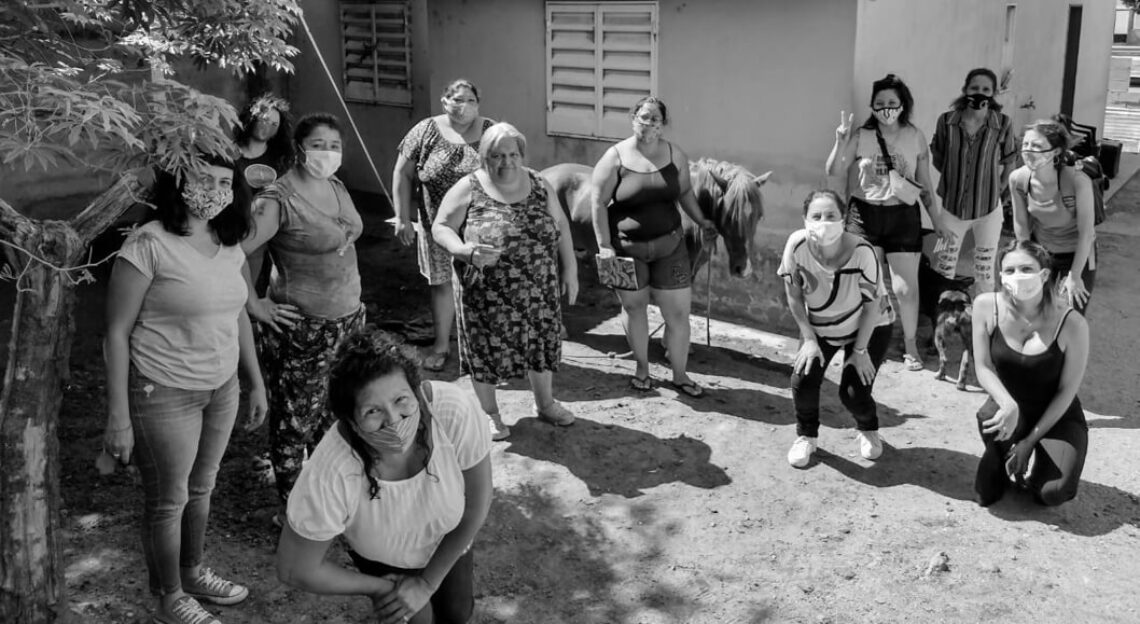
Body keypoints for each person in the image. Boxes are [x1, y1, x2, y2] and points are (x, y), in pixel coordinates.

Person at [103, 156, 267, 624]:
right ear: (179, 182)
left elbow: (238, 314)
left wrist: (254, 381)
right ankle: (169, 597)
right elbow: (116, 333)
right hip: (164, 390)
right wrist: (118, 417)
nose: (214, 190)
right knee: (169, 500)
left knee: (201, 488)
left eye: (224, 182)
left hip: (221, 388)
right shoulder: (148, 243)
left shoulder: (227, 240)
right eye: (203, 179)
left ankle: (192, 573)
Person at [276, 328, 491, 624]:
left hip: (447, 537)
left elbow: (477, 505)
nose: (393, 420)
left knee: (456, 613)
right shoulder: (330, 473)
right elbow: (294, 568)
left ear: (417, 391)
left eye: (401, 399)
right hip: (383, 560)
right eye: (372, 411)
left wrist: (427, 583)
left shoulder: (453, 412)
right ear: (351, 421)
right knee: (416, 618)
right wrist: (382, 589)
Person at [241, 113, 366, 508]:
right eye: (318, 145)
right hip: (304, 331)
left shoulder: (335, 185)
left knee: (333, 413)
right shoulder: (277, 199)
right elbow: (235, 251)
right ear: (299, 148)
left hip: (347, 324)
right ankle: (295, 512)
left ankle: (327, 494)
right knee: (295, 422)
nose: (327, 153)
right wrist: (254, 303)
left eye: (334, 146)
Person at [432, 122, 578, 436]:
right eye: (497, 155)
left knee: (540, 344)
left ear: (521, 154)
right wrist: (462, 250)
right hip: (485, 291)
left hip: (538, 289)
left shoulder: (539, 183)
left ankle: (545, 404)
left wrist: (571, 269)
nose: (506, 161)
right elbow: (441, 226)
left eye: (513, 154)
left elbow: (562, 225)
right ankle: (490, 414)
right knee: (484, 349)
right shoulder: (469, 186)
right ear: (485, 157)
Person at [589, 96, 718, 397]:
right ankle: (642, 369)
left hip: (670, 247)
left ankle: (680, 375)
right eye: (643, 117)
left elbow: (685, 192)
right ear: (633, 119)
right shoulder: (614, 157)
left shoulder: (675, 155)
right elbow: (598, 201)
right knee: (634, 309)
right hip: (626, 250)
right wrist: (604, 245)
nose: (649, 123)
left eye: (655, 118)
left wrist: (702, 221)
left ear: (664, 124)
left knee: (678, 315)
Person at [826, 73, 953, 371]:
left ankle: (909, 344)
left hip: (903, 216)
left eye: (892, 102)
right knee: (862, 285)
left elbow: (925, 184)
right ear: (872, 106)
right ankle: (857, 343)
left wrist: (936, 220)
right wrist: (840, 142)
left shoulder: (914, 136)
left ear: (902, 104)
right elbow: (834, 171)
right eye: (880, 102)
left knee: (906, 289)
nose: (886, 108)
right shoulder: (862, 135)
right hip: (864, 215)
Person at [778, 190, 895, 468]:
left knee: (854, 393)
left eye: (831, 215)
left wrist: (860, 351)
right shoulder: (796, 246)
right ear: (805, 219)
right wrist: (808, 339)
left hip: (870, 325)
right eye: (816, 216)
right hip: (822, 325)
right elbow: (794, 295)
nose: (824, 222)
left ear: (843, 219)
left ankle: (868, 428)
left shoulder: (863, 252)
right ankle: (806, 436)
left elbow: (873, 305)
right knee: (803, 380)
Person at [971, 240, 1088, 507]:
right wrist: (1007, 403)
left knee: (1053, 492)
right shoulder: (985, 306)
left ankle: (1037, 468)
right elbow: (983, 367)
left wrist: (1029, 441)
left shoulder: (1072, 323)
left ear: (1044, 275)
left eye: (1026, 269)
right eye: (1009, 270)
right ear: (1000, 275)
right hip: (1010, 408)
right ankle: (1004, 458)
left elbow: (1067, 390)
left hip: (1057, 413)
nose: (1017, 276)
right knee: (985, 495)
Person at [393, 79, 496, 372]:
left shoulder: (491, 131)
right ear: (444, 102)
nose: (464, 106)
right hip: (435, 224)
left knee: (484, 285)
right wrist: (402, 217)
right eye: (458, 100)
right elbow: (402, 173)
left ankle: (486, 349)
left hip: (480, 225)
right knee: (441, 284)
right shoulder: (425, 131)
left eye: (471, 100)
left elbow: (508, 169)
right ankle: (441, 346)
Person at [929, 68, 1017, 295]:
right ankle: (941, 310)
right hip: (951, 209)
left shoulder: (1003, 124)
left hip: (989, 210)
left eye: (985, 89)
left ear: (993, 93)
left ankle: (984, 313)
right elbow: (938, 157)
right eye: (974, 88)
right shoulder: (946, 121)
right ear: (965, 90)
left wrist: (998, 189)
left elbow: (1009, 162)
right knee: (943, 265)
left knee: (984, 271)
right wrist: (954, 180)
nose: (979, 93)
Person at [1009, 119, 1097, 315]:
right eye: (1025, 144)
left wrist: (1075, 276)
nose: (1028, 150)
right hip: (1042, 252)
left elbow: (1087, 233)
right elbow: (1021, 224)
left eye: (1037, 145)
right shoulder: (1018, 179)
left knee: (1069, 314)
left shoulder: (1077, 181)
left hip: (1077, 254)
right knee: (1035, 311)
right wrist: (1026, 262)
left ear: (1056, 151)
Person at [234, 94, 295, 190]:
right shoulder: (228, 154)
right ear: (252, 119)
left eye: (274, 124)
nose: (267, 126)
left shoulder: (282, 161)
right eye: (265, 120)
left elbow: (290, 192)